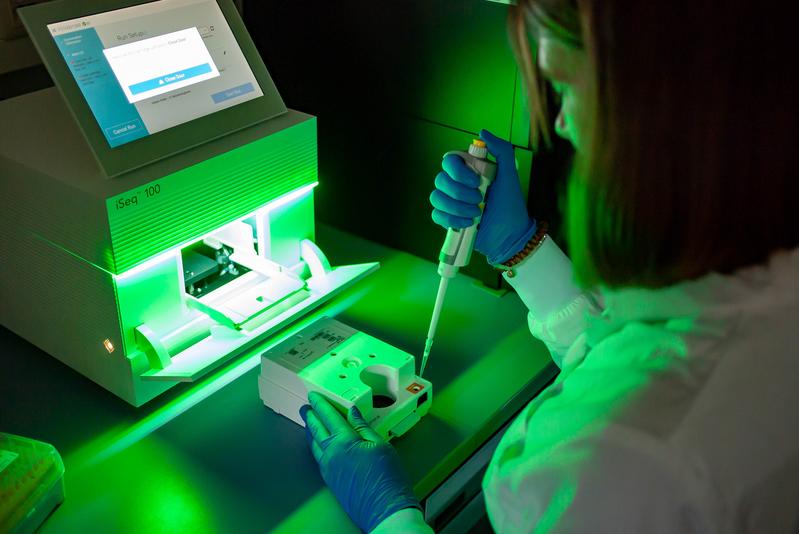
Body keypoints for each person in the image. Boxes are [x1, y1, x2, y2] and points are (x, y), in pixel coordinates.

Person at [300, 0, 799, 531]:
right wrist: (521, 247)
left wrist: (392, 517)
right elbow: (643, 350)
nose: (560, 123)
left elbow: (650, 401)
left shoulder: (625, 458)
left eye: (565, 87)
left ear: (659, 115)